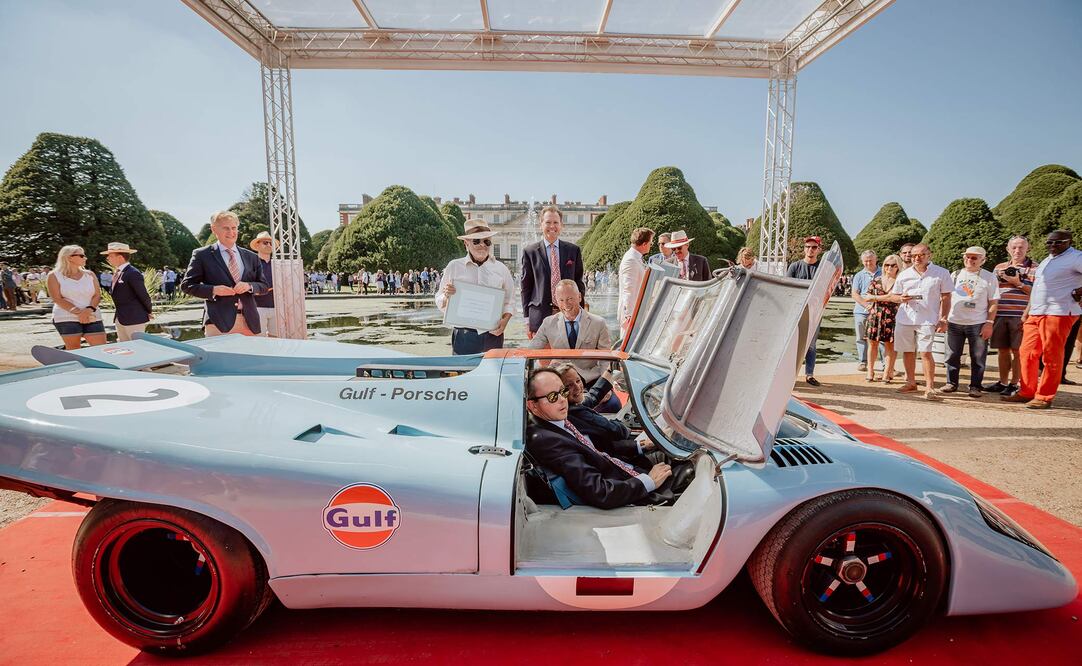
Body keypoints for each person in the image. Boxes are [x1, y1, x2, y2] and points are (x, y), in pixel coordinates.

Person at [524, 368, 671, 510]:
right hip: (628, 490)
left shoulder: (558, 420)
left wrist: (640, 445)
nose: (563, 400)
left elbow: (596, 448)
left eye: (563, 391)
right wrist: (649, 481)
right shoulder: (547, 441)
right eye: (552, 397)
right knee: (684, 469)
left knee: (670, 453)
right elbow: (600, 492)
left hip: (624, 468)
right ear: (533, 405)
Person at [1002, 230, 1082, 409]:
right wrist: (1026, 312)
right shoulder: (1047, 260)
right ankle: (1027, 391)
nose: (1053, 246)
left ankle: (1045, 396)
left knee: (1051, 355)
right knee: (1027, 352)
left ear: (1069, 242)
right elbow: (1038, 289)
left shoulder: (1076, 257)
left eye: (1058, 242)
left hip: (1059, 311)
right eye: (1049, 243)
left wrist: (1080, 291)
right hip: (1036, 312)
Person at [180, 211, 269, 336]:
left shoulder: (252, 257)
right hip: (218, 323)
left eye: (234, 228)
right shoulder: (202, 255)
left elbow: (264, 286)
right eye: (226, 228)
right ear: (213, 229)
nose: (231, 232)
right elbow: (187, 285)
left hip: (250, 322)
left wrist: (249, 286)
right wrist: (214, 290)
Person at [436, 219, 515, 355]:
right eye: (476, 241)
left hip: (493, 335)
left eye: (487, 241)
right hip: (463, 335)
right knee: (462, 373)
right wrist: (446, 295)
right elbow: (439, 298)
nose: (482, 245)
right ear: (466, 243)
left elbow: (510, 301)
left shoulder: (501, 269)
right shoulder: (454, 266)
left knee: (492, 374)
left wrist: (504, 321)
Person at [888, 243, 953, 401]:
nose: (917, 258)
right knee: (908, 351)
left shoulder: (941, 273)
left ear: (929, 255)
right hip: (905, 317)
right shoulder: (904, 274)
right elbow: (893, 296)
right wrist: (900, 298)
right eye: (914, 255)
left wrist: (943, 318)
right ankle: (911, 382)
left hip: (928, 318)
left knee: (925, 352)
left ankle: (930, 387)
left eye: (921, 255)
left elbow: (946, 297)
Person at [520, 205, 585, 338]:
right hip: (540, 317)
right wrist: (527, 320)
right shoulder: (530, 252)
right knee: (544, 358)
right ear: (541, 225)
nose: (552, 226)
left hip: (569, 314)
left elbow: (579, 282)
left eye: (556, 222)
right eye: (548, 222)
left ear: (561, 225)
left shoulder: (573, 250)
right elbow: (526, 288)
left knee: (568, 358)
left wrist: (581, 312)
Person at [530, 279, 612, 386]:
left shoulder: (599, 323)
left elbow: (606, 360)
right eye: (561, 300)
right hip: (559, 381)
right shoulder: (548, 323)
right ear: (556, 301)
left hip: (590, 380)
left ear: (579, 297)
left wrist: (604, 386)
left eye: (569, 299)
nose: (566, 305)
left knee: (614, 403)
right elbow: (530, 351)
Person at [942, 247, 999, 397]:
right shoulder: (955, 275)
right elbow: (946, 297)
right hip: (954, 321)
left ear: (983, 260)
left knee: (978, 357)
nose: (970, 260)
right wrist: (944, 318)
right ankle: (951, 383)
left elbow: (993, 302)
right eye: (967, 257)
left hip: (977, 323)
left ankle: (975, 386)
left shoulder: (989, 277)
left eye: (974, 258)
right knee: (952, 355)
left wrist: (989, 323)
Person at [984, 236, 1036, 396]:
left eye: (1021, 247)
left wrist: (1017, 282)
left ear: (1028, 248)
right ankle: (1002, 382)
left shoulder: (1036, 268)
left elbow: (1038, 293)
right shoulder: (999, 267)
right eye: (1013, 247)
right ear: (1008, 249)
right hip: (1000, 314)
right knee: (1002, 350)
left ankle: (1015, 383)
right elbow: (991, 291)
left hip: (1021, 315)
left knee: (1018, 351)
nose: (1017, 251)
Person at [47, 245, 106, 349]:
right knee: (75, 351)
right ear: (69, 257)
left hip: (92, 315)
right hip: (66, 316)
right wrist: (79, 313)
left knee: (101, 349)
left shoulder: (90, 274)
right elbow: (57, 298)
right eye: (82, 256)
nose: (85, 258)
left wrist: (88, 311)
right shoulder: (54, 275)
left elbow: (97, 295)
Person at [787, 236, 824, 386]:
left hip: (815, 311)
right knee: (792, 343)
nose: (810, 250)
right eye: (808, 247)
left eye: (814, 247)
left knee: (811, 344)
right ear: (804, 249)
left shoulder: (823, 268)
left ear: (819, 250)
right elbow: (789, 288)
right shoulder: (795, 266)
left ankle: (809, 374)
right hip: (797, 311)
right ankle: (790, 374)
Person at [102, 242, 153, 342]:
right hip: (120, 317)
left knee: (138, 347)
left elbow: (143, 295)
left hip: (134, 317)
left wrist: (148, 311)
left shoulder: (133, 273)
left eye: (110, 256)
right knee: (125, 348)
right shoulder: (119, 272)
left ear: (120, 257)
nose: (107, 258)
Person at [862, 254, 901, 382]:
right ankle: (870, 371)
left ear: (898, 267)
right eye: (887, 265)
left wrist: (876, 298)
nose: (889, 267)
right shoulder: (876, 280)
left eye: (893, 265)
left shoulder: (900, 281)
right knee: (872, 344)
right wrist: (887, 297)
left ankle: (887, 373)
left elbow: (899, 299)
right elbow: (867, 297)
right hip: (875, 315)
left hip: (893, 316)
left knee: (890, 345)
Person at [618, 227, 654, 337]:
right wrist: (629, 315)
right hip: (632, 314)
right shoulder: (631, 260)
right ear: (644, 244)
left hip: (637, 311)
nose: (651, 246)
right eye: (651, 243)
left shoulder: (635, 258)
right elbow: (628, 289)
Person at [851, 250, 881, 372]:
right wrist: (866, 305)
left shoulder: (884, 273)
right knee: (861, 337)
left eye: (870, 260)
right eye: (866, 261)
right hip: (861, 311)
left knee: (881, 338)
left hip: (879, 310)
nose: (868, 263)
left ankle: (885, 364)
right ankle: (862, 362)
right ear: (862, 261)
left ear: (876, 259)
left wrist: (875, 304)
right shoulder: (859, 275)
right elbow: (854, 294)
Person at [249, 231, 277, 337]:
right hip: (257, 306)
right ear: (257, 245)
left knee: (277, 339)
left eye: (271, 243)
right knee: (259, 339)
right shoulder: (251, 264)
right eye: (265, 243)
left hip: (277, 307)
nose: (269, 245)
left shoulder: (278, 264)